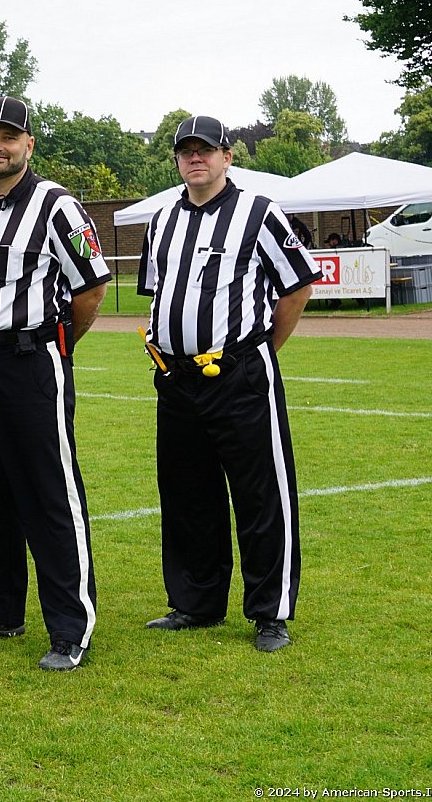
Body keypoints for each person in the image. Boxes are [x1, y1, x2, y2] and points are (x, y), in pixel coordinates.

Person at [138, 115, 319, 653]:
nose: (195, 158)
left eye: (206, 150)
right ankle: (196, 602)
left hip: (239, 374)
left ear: (227, 157)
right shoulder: (162, 220)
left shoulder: (259, 213)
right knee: (187, 493)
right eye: (186, 151)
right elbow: (159, 290)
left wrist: (259, 351)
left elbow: (296, 286)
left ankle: (270, 612)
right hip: (176, 378)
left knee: (261, 493)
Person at [0, 97, 109, 672]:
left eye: (8, 137)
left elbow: (91, 288)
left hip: (30, 359)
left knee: (49, 493)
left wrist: (54, 344)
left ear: (28, 145)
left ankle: (71, 625)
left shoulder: (57, 205)